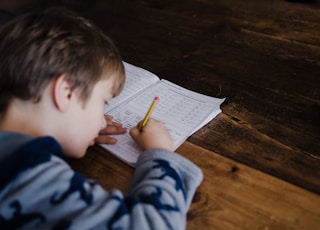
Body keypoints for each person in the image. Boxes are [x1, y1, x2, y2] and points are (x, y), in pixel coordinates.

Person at [0, 8, 203, 230]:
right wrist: (160, 156)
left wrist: (69, 131)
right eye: (103, 102)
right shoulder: (28, 177)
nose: (102, 122)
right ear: (67, 92)